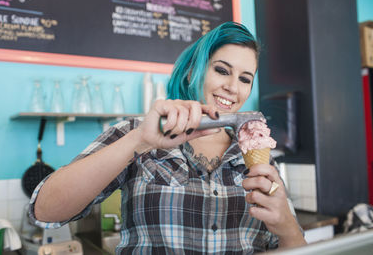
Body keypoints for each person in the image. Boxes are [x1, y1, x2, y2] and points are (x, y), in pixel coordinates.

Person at [29, 22, 306, 254]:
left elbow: (292, 246)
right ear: (191, 72)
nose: (233, 87)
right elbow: (45, 212)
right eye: (222, 70)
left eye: (245, 79)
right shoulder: (137, 133)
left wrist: (288, 227)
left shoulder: (254, 153)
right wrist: (140, 140)